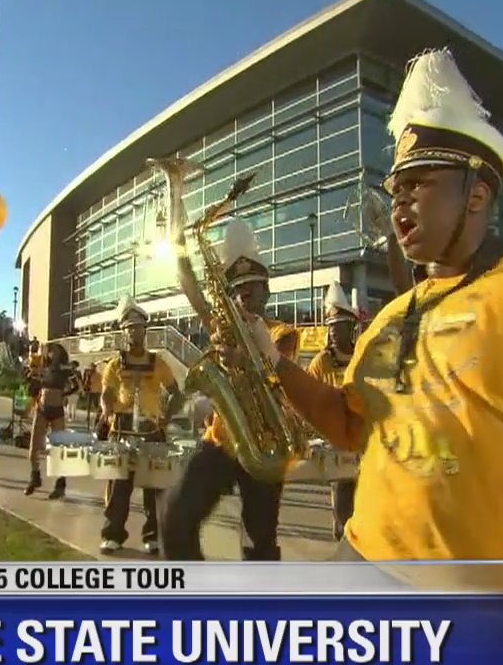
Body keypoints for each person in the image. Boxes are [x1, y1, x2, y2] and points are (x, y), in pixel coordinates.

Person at [219, 49, 503, 585]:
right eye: (395, 189)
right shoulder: (389, 316)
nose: (399, 201)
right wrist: (269, 358)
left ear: (477, 193)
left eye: (419, 183)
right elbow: (348, 424)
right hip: (359, 562)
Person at [162, 219, 291, 562]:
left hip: (263, 447)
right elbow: (190, 287)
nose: (244, 296)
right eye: (237, 290)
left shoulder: (283, 334)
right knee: (175, 519)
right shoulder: (224, 327)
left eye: (252, 287)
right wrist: (178, 238)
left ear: (266, 290)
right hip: (222, 440)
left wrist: (246, 357)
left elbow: (282, 381)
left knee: (259, 543)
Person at [98, 295, 184, 555]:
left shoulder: (158, 362)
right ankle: (112, 535)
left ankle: (153, 536)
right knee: (118, 487)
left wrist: (166, 417)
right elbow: (107, 392)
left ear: (145, 331)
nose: (134, 333)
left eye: (138, 328)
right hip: (123, 428)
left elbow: (176, 393)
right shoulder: (115, 364)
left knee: (154, 487)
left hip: (150, 429)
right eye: (129, 329)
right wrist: (106, 409)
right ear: (124, 333)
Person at [306, 283, 360, 541]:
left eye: (339, 326)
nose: (334, 333)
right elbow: (306, 400)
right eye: (331, 327)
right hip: (337, 447)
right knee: (343, 506)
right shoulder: (320, 363)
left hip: (366, 443)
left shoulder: (365, 356)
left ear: (352, 328)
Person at [24, 342, 76, 500]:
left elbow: (77, 386)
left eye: (54, 352)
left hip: (57, 410)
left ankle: (61, 483)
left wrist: (64, 394)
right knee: (34, 446)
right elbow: (31, 382)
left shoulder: (65, 369)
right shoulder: (42, 368)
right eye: (49, 352)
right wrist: (31, 378)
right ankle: (35, 477)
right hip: (42, 408)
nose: (51, 355)